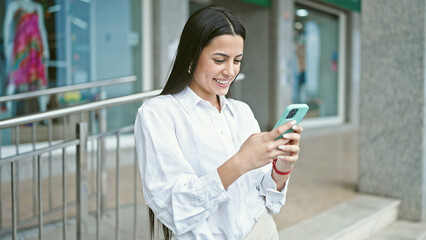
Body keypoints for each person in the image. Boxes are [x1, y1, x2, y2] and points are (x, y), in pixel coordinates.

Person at [134, 6, 303, 240]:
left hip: (262, 231)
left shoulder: (241, 112)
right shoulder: (158, 114)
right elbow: (173, 205)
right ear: (192, 56)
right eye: (219, 60)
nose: (230, 71)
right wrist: (242, 161)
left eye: (237, 60)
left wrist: (282, 166)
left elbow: (268, 197)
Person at [3, 0, 50, 115]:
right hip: (21, 48)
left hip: (35, 48)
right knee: (13, 78)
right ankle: (7, 112)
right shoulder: (14, 5)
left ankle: (43, 112)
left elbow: (42, 29)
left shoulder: (37, 7)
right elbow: (6, 26)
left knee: (40, 79)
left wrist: (46, 48)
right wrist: (6, 47)